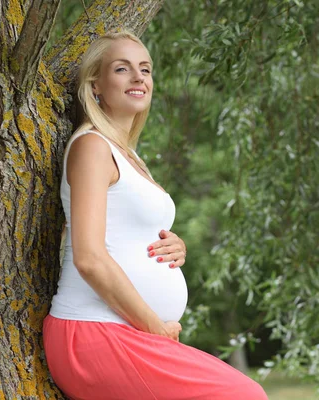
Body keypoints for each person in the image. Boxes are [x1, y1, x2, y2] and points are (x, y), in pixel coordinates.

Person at [42, 30, 268, 400]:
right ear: (95, 85)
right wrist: (155, 328)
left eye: (145, 69)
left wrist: (172, 244)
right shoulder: (92, 147)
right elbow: (89, 258)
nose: (138, 77)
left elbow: (126, 228)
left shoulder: (128, 155)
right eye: (122, 68)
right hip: (93, 332)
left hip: (126, 330)